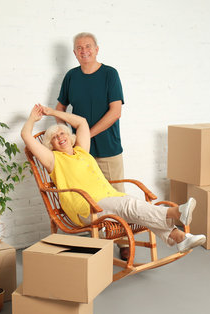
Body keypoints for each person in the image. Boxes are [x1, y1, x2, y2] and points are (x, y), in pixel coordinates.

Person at [21, 104, 206, 254]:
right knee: (130, 206)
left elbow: (83, 123)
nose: (59, 137)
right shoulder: (53, 160)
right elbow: (25, 136)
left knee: (136, 208)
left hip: (108, 197)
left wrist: (52, 112)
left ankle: (181, 238)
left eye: (62, 133)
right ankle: (175, 213)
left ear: (70, 138)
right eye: (54, 137)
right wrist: (32, 119)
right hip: (86, 208)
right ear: (50, 145)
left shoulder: (81, 151)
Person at [55, 32, 129, 258]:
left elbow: (115, 112)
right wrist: (70, 135)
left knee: (117, 194)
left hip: (108, 147)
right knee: (89, 198)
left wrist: (86, 133)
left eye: (88, 46)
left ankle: (124, 243)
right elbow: (60, 109)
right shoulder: (71, 77)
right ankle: (97, 242)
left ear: (97, 49)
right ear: (74, 53)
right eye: (79, 48)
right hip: (80, 153)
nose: (84, 50)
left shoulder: (110, 74)